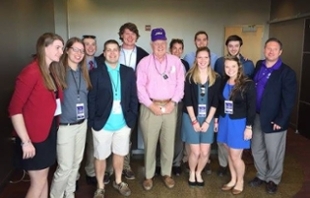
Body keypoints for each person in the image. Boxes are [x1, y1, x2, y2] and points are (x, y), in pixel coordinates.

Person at [8, 32, 66, 198]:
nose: (61, 52)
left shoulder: (50, 72)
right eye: (57, 47)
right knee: (38, 182)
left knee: (43, 178)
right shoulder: (31, 72)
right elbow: (15, 109)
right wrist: (26, 142)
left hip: (48, 133)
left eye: (62, 48)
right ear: (44, 47)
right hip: (33, 138)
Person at [88, 39, 138, 198]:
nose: (112, 53)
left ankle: (118, 181)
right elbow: (92, 99)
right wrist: (93, 122)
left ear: (119, 52)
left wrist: (131, 118)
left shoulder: (128, 72)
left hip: (123, 123)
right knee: (100, 156)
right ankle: (100, 186)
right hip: (102, 124)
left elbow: (133, 97)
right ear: (104, 53)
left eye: (115, 49)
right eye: (108, 50)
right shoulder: (95, 73)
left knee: (119, 154)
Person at [136, 28, 185, 190]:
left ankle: (166, 173)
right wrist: (150, 105)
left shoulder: (175, 62)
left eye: (162, 43)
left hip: (170, 106)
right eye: (156, 43)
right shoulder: (144, 63)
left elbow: (180, 84)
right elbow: (140, 87)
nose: (160, 46)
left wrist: (173, 102)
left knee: (168, 143)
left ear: (166, 43)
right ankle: (149, 176)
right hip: (150, 107)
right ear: (151, 44)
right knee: (150, 144)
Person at [249, 38, 297, 194]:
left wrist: (281, 120)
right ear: (264, 49)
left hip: (274, 119)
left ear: (280, 52)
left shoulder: (287, 72)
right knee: (257, 148)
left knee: (274, 151)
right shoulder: (259, 65)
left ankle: (273, 179)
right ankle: (261, 175)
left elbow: (289, 100)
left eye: (275, 49)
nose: (271, 51)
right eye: (268, 48)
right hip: (257, 116)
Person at [50, 37, 92, 198]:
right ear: (67, 50)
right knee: (65, 167)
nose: (78, 53)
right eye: (75, 49)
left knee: (76, 165)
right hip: (65, 126)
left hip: (82, 124)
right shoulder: (57, 72)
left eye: (81, 51)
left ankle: (70, 194)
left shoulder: (84, 73)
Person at [214, 35, 255, 177]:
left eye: (236, 45)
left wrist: (249, 126)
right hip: (225, 116)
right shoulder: (220, 64)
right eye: (230, 46)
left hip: (239, 118)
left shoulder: (248, 66)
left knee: (235, 154)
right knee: (226, 149)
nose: (233, 48)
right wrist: (216, 119)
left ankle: (239, 180)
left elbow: (250, 102)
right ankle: (227, 171)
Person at [182, 47, 220, 187]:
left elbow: (216, 101)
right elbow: (187, 101)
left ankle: (199, 173)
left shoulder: (216, 77)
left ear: (209, 59)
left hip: (208, 119)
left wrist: (208, 122)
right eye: (200, 57)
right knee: (195, 151)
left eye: (205, 57)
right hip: (191, 117)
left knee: (205, 153)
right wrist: (194, 121)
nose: (203, 60)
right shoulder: (189, 77)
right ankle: (192, 172)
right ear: (195, 59)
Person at [117, 22, 149, 180]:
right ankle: (112, 168)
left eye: (133, 34)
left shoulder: (144, 54)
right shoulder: (112, 51)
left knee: (128, 133)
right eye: (126, 33)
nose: (130, 37)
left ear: (137, 36)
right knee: (112, 133)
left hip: (134, 100)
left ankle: (126, 165)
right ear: (121, 35)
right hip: (114, 99)